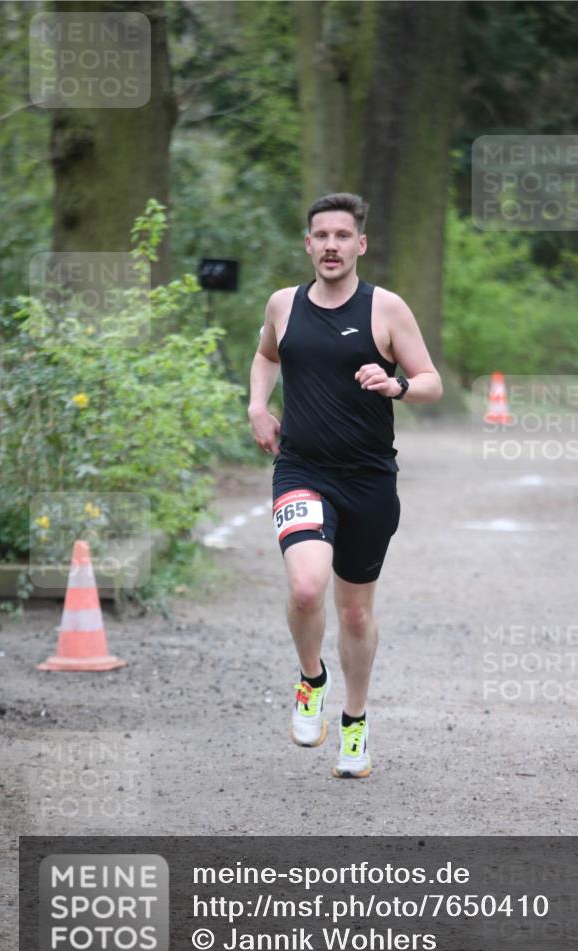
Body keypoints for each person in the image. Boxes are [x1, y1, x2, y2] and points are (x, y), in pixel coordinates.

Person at [248, 192, 442, 778]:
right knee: (307, 588)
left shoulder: (386, 308)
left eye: (342, 236)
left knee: (354, 613)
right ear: (308, 244)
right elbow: (264, 356)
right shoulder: (284, 305)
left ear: (360, 244)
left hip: (368, 480)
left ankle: (354, 720)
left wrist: (397, 386)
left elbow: (431, 381)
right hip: (302, 469)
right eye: (320, 236)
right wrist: (258, 405)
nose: (330, 245)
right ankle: (312, 680)